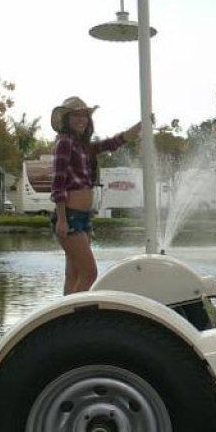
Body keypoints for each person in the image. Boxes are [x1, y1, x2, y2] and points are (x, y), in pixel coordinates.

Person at [49, 96, 140, 294]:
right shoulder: (64, 143)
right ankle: (75, 318)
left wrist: (141, 126)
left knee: (74, 275)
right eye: (76, 115)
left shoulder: (84, 145)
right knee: (89, 273)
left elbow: (114, 142)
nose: (81, 119)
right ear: (66, 119)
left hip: (83, 217)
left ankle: (67, 321)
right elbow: (58, 183)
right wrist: (62, 219)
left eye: (85, 115)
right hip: (70, 216)